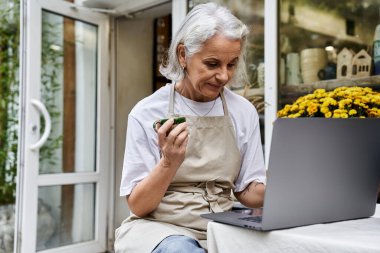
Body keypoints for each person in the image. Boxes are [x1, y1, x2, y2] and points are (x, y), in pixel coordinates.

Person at [114, 3, 266, 252]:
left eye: (232, 64)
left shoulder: (243, 111)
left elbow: (247, 193)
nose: (224, 76)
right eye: (213, 63)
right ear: (183, 55)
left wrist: (286, 188)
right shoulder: (147, 113)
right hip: (161, 230)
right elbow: (138, 206)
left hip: (219, 226)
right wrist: (169, 162)